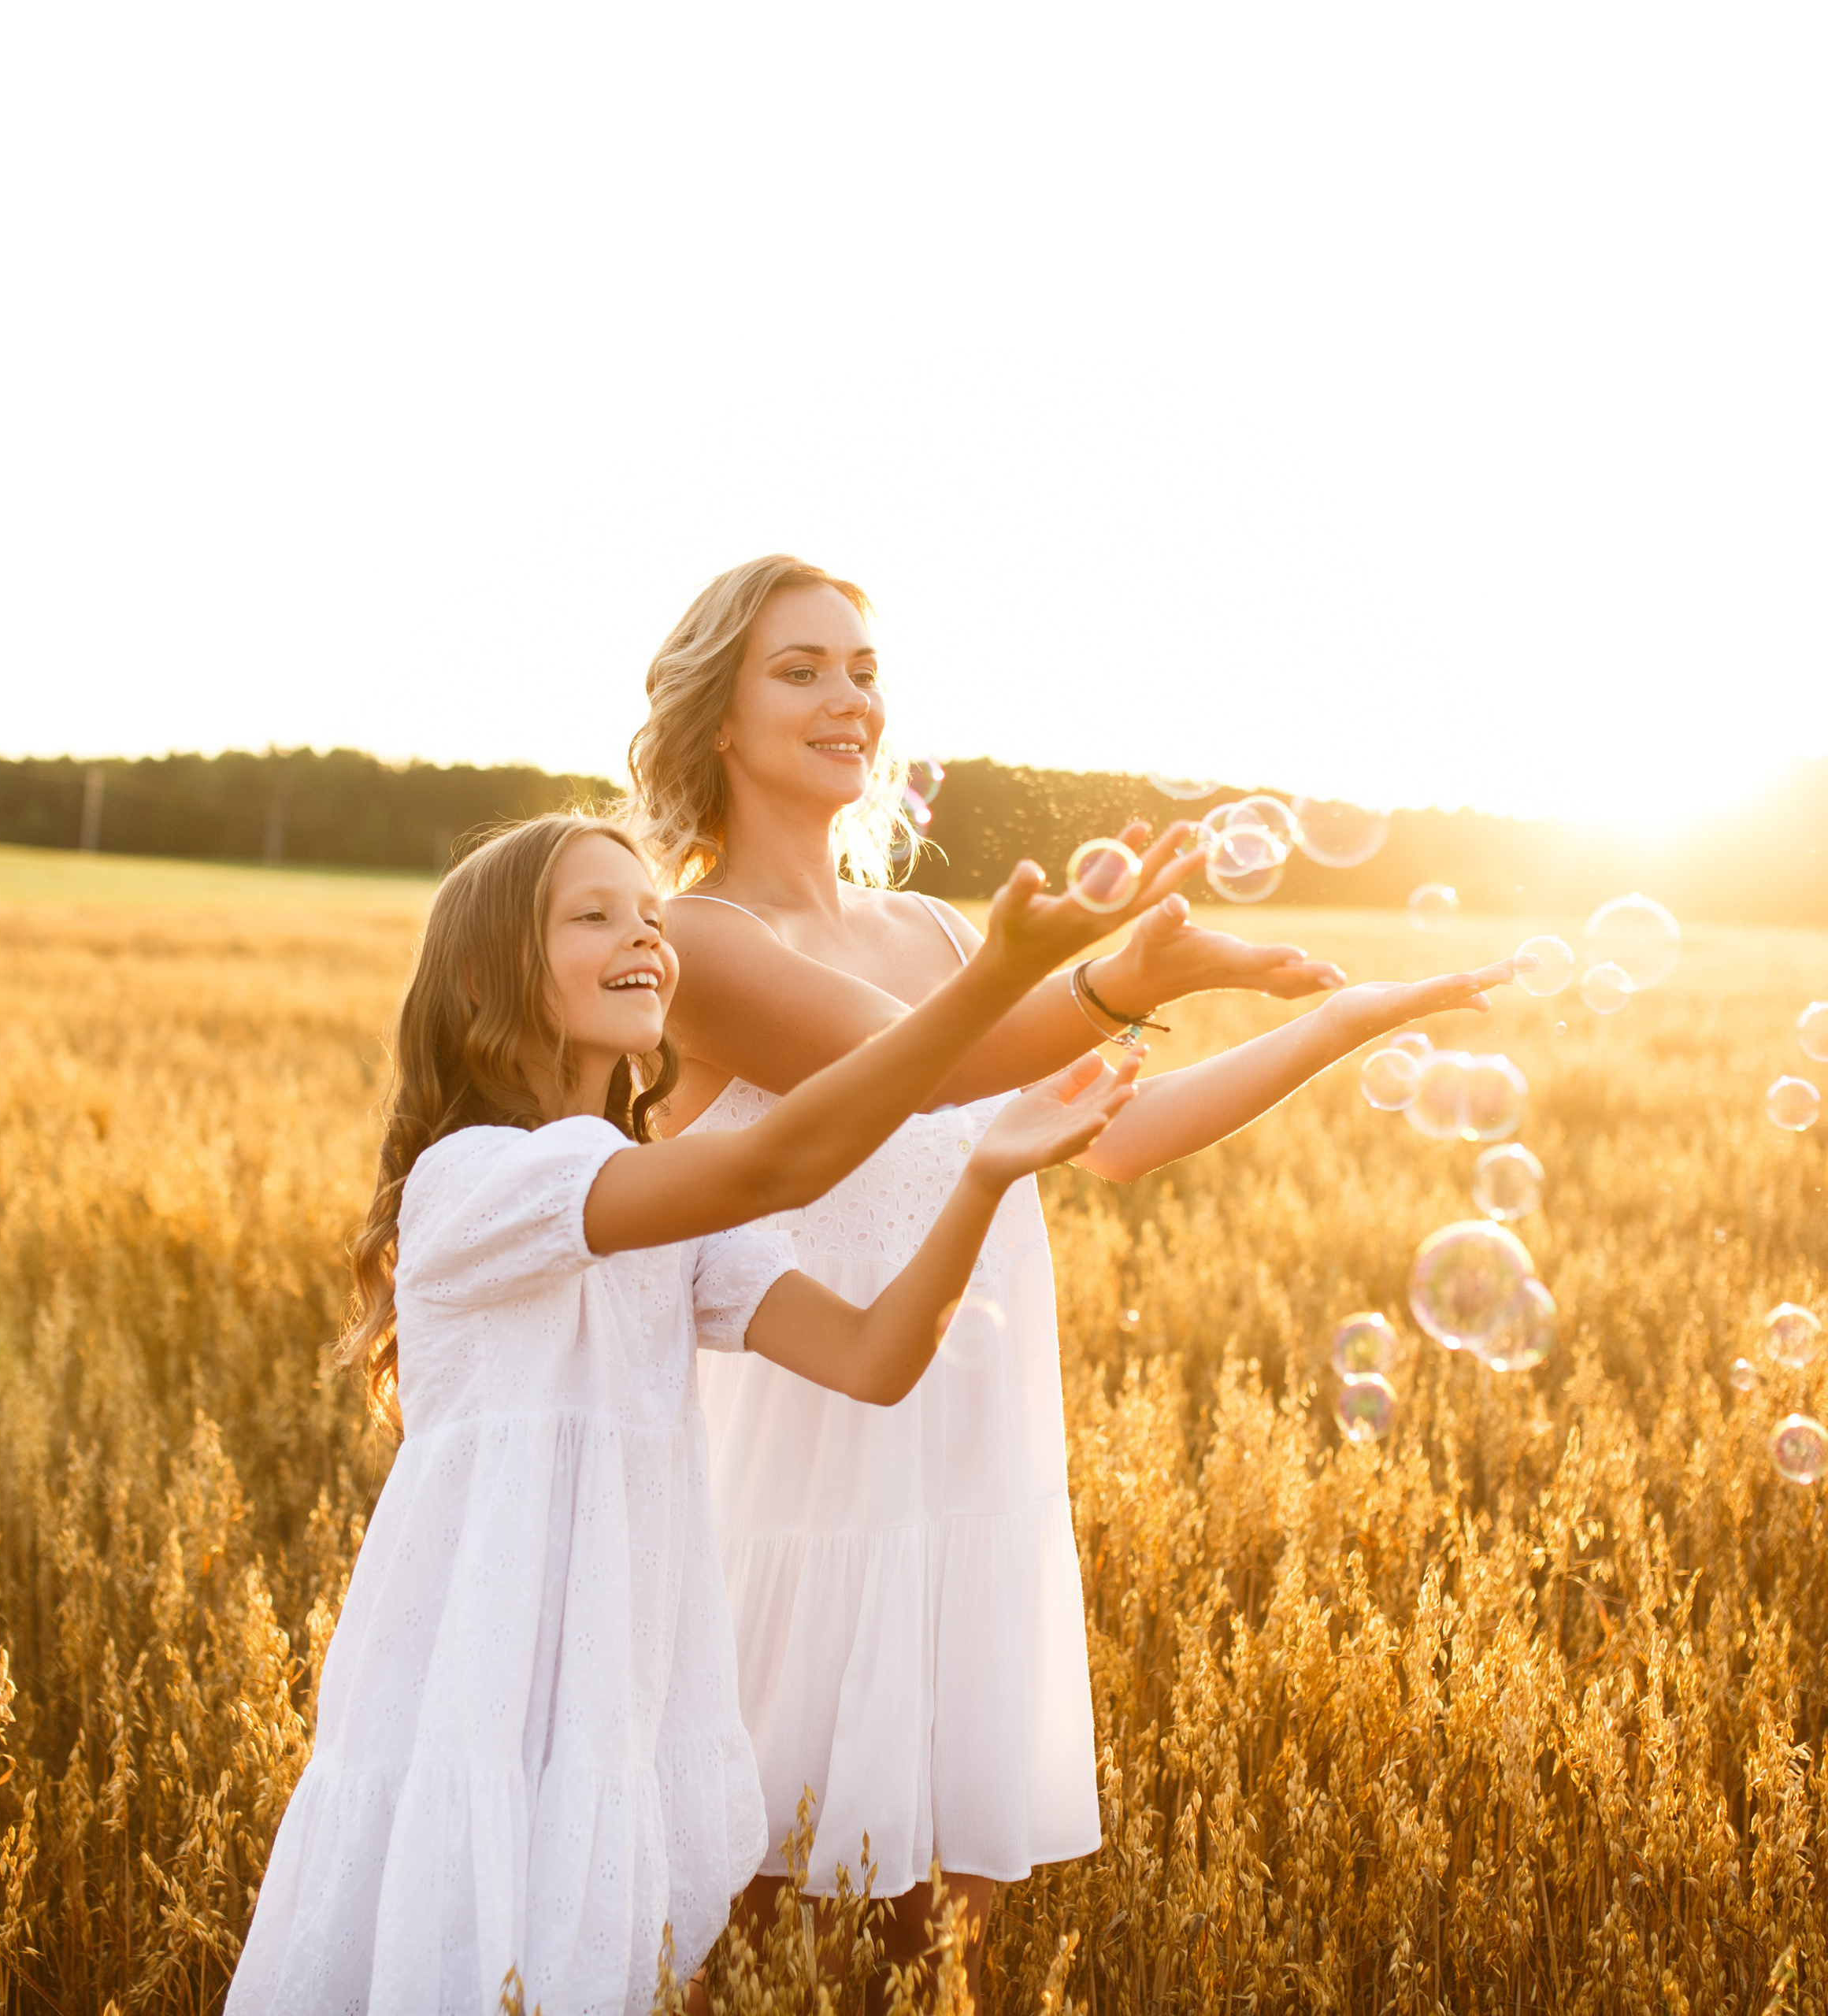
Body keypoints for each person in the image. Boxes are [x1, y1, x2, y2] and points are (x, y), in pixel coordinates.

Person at [626, 555, 1511, 1978]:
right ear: (714, 716)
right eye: (800, 670)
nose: (848, 698)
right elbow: (931, 1072)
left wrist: (1350, 1019)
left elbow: (1116, 1133)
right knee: (761, 1942)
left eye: (863, 669)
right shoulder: (697, 944)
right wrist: (1122, 982)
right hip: (800, 1492)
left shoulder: (928, 932)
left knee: (941, 1963)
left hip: (969, 1475)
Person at [225, 812, 1153, 2016]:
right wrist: (999, 984)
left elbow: (874, 1359)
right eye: (594, 915)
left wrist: (983, 1175)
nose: (645, 940)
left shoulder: (666, 1221)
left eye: (652, 918)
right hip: (475, 1688)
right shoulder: (476, 1183)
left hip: (621, 1688)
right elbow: (775, 1165)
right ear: (480, 976)